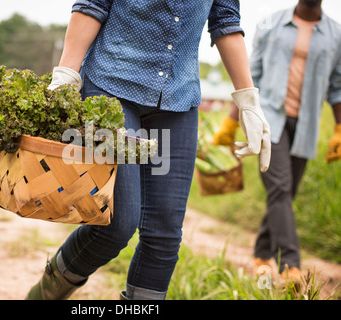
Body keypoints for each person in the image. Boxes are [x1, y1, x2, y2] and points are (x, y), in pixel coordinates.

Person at [26, 0, 271, 300]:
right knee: (115, 224)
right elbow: (92, 5)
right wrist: (66, 71)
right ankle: (44, 295)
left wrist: (248, 100)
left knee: (164, 234)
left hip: (177, 99)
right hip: (111, 88)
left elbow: (225, 22)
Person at [214, 0, 341, 286]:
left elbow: (337, 86)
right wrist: (232, 121)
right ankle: (291, 266)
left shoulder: (336, 35)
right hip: (268, 120)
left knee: (285, 193)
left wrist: (339, 128)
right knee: (281, 188)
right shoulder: (270, 24)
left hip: (306, 124)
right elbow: (251, 75)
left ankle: (261, 255)